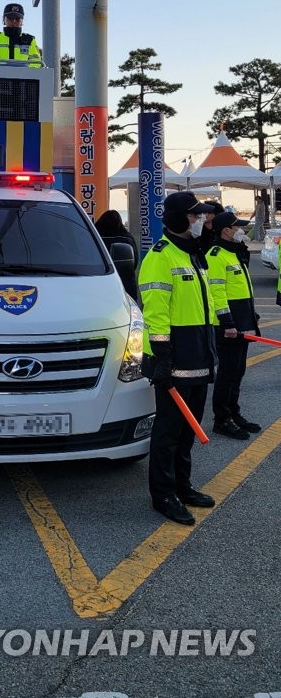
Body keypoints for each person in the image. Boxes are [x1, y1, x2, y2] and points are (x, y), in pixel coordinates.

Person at [138, 191, 217, 526]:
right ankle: (164, 495)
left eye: (201, 216)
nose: (200, 220)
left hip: (198, 354)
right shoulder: (161, 256)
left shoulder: (194, 254)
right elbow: (155, 314)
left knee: (188, 430)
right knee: (169, 432)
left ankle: (182, 486)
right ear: (175, 218)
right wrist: (163, 359)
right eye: (194, 215)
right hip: (174, 358)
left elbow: (204, 307)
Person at [206, 211, 261, 439]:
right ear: (226, 231)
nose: (241, 230)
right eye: (237, 226)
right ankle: (222, 419)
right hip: (228, 327)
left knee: (238, 371)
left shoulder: (235, 252)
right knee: (227, 373)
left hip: (243, 323)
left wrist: (251, 315)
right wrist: (227, 322)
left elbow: (242, 290)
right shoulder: (216, 255)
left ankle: (234, 412)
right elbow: (217, 293)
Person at [94, 209, 139, 299]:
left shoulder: (95, 238)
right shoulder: (127, 238)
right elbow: (134, 261)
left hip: (98, 283)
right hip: (126, 284)